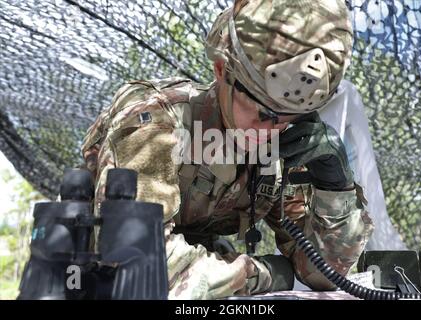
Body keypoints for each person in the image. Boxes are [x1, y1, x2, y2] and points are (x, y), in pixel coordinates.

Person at [81, 0, 374, 299]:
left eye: (289, 119)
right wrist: (264, 274)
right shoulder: (155, 119)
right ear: (222, 70)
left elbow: (324, 272)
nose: (270, 131)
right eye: (262, 114)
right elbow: (137, 267)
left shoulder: (282, 142)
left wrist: (335, 189)